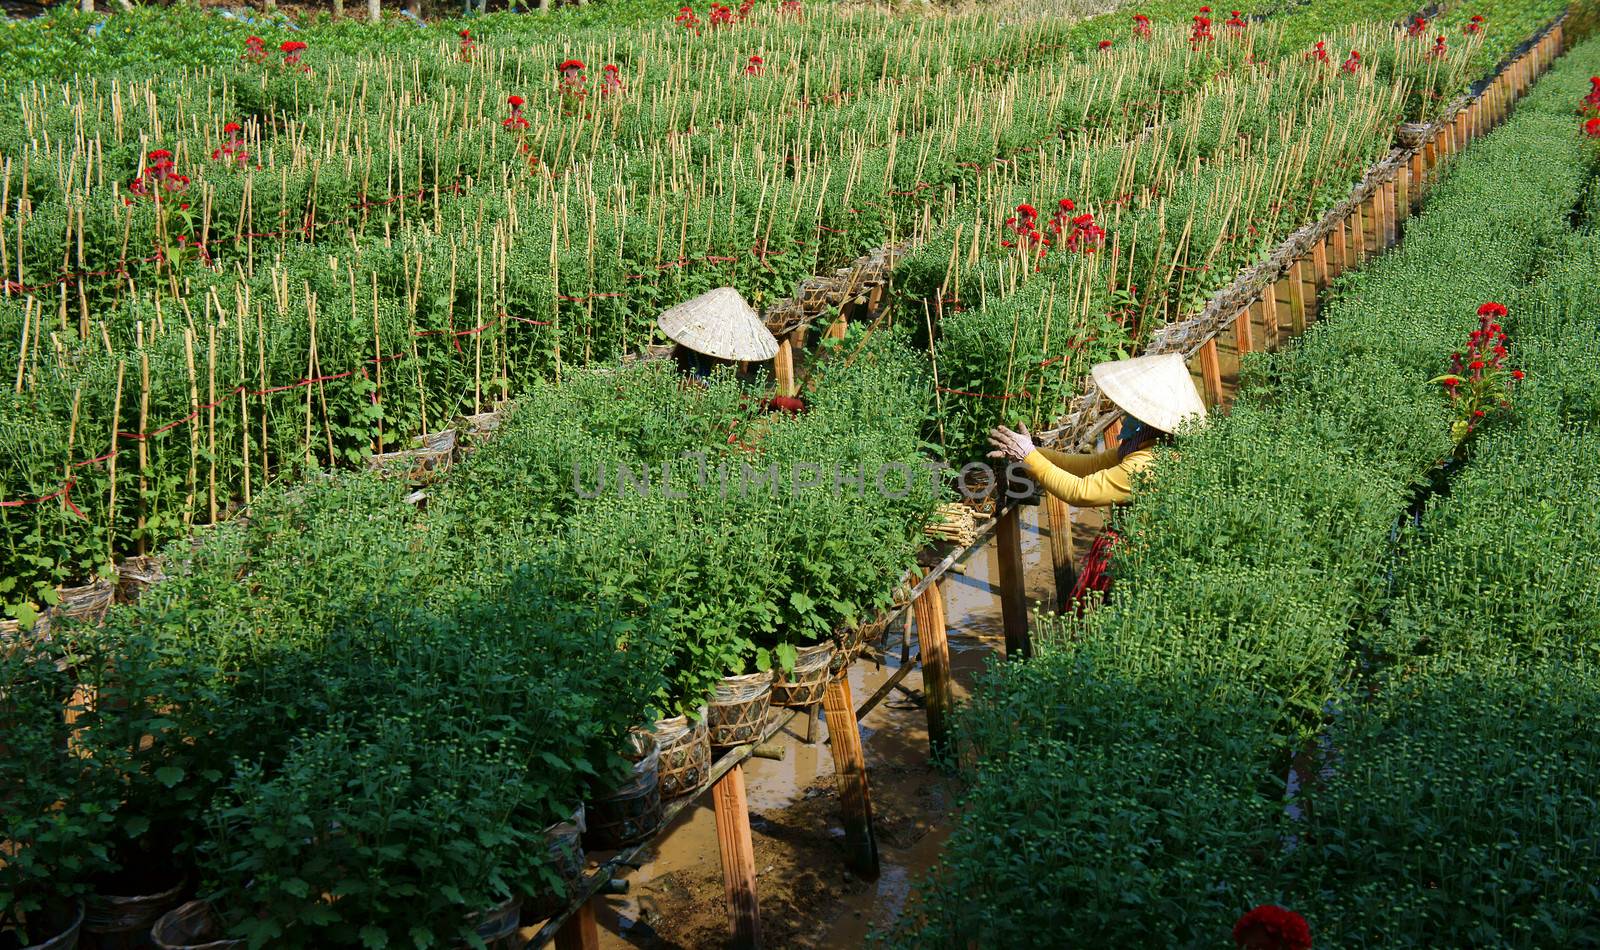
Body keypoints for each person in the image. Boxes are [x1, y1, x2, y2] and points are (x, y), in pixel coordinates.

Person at [986, 352, 1207, 609]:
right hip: (1142, 546)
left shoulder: (1148, 464)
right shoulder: (1154, 444)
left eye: (1132, 411)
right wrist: (1030, 454)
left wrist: (1029, 455)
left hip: (1137, 558)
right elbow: (1091, 465)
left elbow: (1081, 491)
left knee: (1108, 614)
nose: (1126, 416)